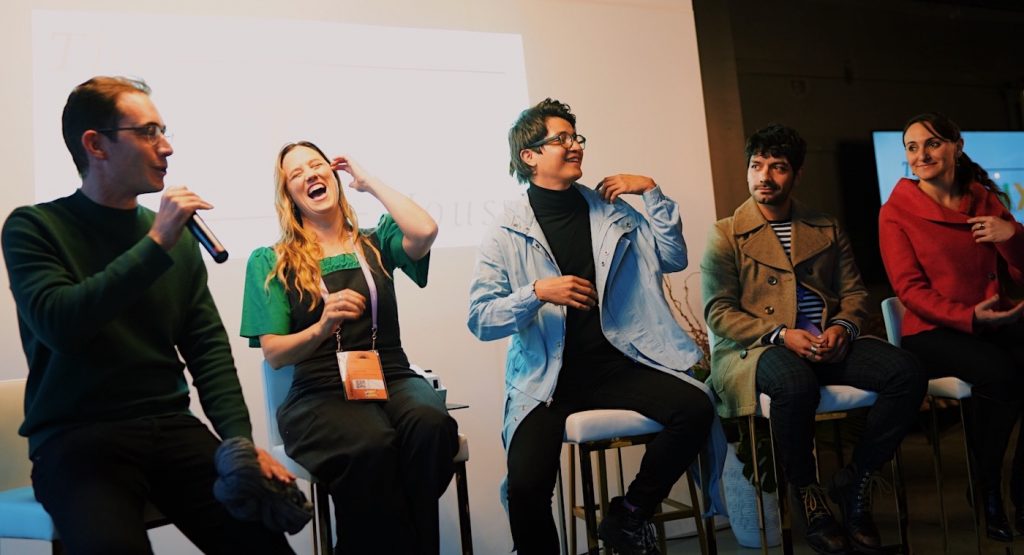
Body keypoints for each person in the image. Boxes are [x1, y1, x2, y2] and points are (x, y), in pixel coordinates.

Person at [0, 76, 295, 554]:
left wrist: (240, 446)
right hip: (77, 440)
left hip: (170, 428)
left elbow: (208, 350)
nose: (167, 147)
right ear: (95, 144)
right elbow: (62, 324)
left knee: (261, 539)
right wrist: (156, 243)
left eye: (165, 131)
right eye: (149, 132)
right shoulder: (35, 227)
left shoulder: (173, 241)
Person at [467, 98, 723, 555]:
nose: (574, 146)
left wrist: (652, 193)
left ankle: (628, 515)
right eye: (560, 139)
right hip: (545, 380)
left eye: (576, 137)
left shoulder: (615, 213)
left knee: (696, 409)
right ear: (529, 156)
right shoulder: (505, 231)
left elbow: (673, 258)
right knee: (526, 488)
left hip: (616, 367)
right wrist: (537, 293)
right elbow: (481, 319)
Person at [702, 123, 926, 555]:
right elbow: (718, 312)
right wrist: (782, 335)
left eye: (778, 167)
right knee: (794, 385)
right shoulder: (725, 232)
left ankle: (855, 481)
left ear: (796, 174)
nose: (764, 176)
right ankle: (808, 493)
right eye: (756, 165)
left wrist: (842, 328)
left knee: (907, 372)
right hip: (758, 349)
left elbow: (856, 293)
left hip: (826, 342)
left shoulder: (824, 226)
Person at [241, 140, 459, 554]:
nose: (310, 175)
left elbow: (426, 230)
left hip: (390, 374)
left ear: (336, 175)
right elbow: (274, 352)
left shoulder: (377, 240)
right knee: (371, 444)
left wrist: (370, 182)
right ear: (289, 195)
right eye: (296, 173)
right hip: (318, 390)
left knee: (431, 425)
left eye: (317, 165)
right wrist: (322, 326)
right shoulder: (271, 261)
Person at [879, 112, 1024, 541]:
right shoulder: (895, 213)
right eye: (912, 147)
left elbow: (1018, 274)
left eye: (933, 143)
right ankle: (987, 489)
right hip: (931, 332)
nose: (922, 154)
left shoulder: (984, 199)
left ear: (956, 147)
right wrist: (969, 317)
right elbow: (909, 290)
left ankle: (1019, 490)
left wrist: (1011, 233)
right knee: (1002, 373)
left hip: (992, 320)